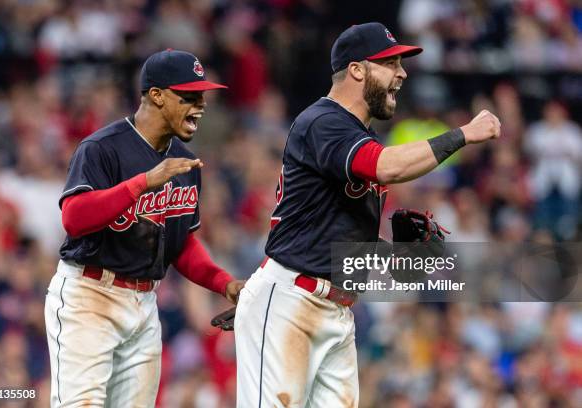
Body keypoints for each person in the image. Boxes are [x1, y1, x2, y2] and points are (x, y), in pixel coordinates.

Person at [234, 22, 500, 407]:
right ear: (357, 70)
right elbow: (386, 166)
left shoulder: (354, 136)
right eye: (390, 63)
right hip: (292, 302)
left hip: (329, 307)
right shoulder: (324, 121)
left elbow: (335, 237)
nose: (402, 73)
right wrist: (462, 134)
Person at [44, 49, 245, 407]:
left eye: (202, 96)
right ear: (156, 95)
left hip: (144, 302)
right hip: (91, 296)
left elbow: (180, 244)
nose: (200, 105)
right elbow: (74, 218)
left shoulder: (184, 161)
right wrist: (141, 184)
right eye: (189, 96)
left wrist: (223, 283)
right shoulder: (102, 148)